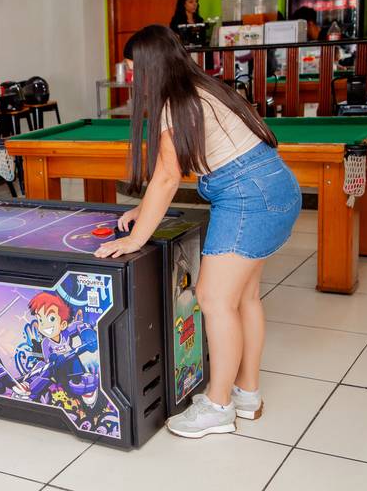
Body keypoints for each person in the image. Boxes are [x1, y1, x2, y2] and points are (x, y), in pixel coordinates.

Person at [96, 26, 300, 438]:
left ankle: (219, 405)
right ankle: (247, 395)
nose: (134, 79)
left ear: (151, 66)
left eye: (135, 70)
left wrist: (135, 239)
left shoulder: (174, 102)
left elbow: (167, 176)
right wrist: (144, 209)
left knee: (212, 298)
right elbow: (177, 173)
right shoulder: (201, 87)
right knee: (244, 297)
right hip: (275, 187)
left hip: (247, 197)